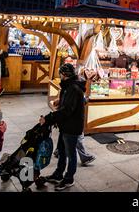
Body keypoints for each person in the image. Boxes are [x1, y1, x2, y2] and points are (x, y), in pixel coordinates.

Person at [39, 63, 85, 191]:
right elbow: (67, 106)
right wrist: (61, 101)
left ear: (64, 75)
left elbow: (67, 111)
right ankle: (58, 174)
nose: (59, 76)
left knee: (71, 154)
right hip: (65, 125)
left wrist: (48, 118)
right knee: (62, 151)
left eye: (60, 73)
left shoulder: (73, 89)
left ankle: (69, 179)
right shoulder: (69, 86)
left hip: (72, 127)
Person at [49, 98, 96, 166]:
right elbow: (53, 102)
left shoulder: (69, 91)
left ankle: (58, 151)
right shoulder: (74, 91)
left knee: (64, 135)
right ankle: (84, 158)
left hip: (67, 120)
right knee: (78, 138)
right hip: (72, 120)